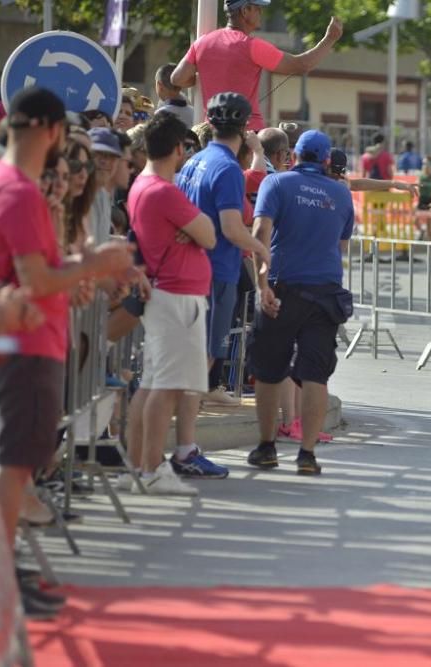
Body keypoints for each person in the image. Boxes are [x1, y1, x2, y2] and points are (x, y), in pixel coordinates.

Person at [0, 87, 134, 552]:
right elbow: (36, 279)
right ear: (50, 132)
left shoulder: (2, 185)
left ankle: (3, 578)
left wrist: (79, 272)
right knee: (11, 471)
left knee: (12, 467)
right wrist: (97, 265)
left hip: (21, 343)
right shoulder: (19, 191)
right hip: (24, 349)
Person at [247, 131, 354, 475]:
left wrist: (261, 284)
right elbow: (341, 245)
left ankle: (266, 447)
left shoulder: (276, 184)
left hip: (282, 287)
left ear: (294, 155)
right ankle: (307, 453)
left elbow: (260, 232)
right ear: (326, 161)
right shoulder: (341, 193)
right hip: (325, 292)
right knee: (316, 375)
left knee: (268, 370)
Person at [123, 112, 218, 494]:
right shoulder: (163, 191)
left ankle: (142, 466)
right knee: (165, 387)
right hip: (177, 296)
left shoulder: (141, 186)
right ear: (179, 149)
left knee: (152, 384)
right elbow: (209, 235)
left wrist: (189, 231)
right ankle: (150, 470)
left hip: (168, 294)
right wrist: (191, 230)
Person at [176, 91, 270, 473]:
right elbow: (232, 228)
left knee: (188, 363)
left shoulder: (194, 161)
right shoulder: (228, 169)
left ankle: (184, 446)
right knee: (200, 363)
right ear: (245, 128)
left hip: (188, 271)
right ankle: (186, 449)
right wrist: (262, 251)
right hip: (217, 273)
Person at [171, 0, 343, 131]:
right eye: (257, 7)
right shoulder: (251, 45)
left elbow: (177, 78)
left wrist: (207, 79)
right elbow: (302, 64)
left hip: (213, 131)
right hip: (247, 132)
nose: (261, 12)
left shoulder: (202, 43)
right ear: (245, 11)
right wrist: (329, 39)